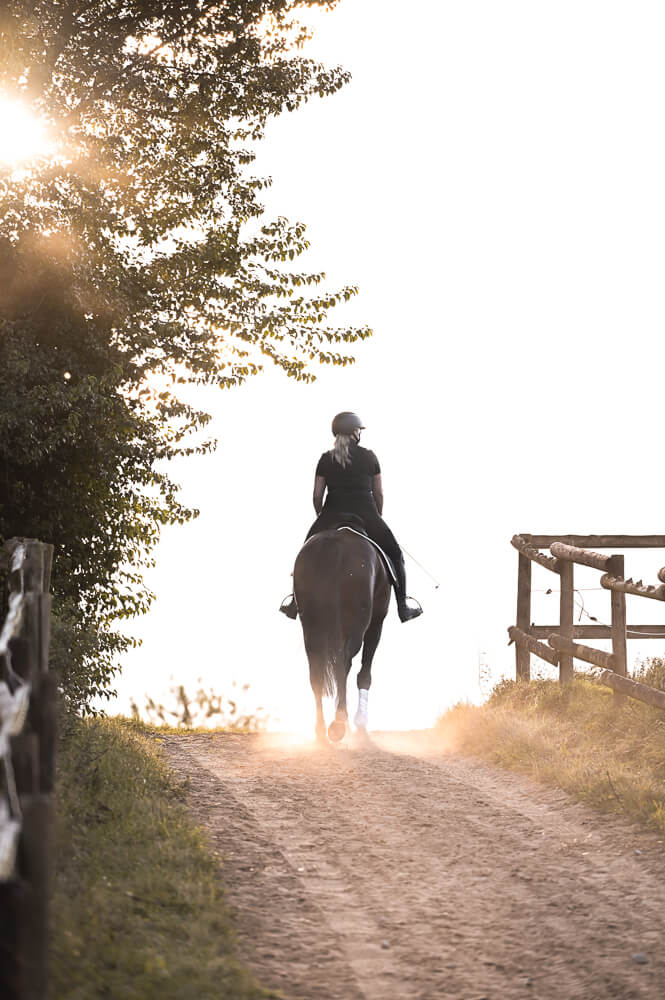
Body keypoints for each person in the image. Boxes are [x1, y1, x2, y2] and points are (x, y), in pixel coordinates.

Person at [280, 411, 423, 623]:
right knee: (395, 554)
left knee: (304, 552)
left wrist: (322, 516)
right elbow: (379, 493)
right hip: (366, 514)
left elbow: (317, 495)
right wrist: (377, 517)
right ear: (356, 433)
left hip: (331, 514)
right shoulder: (369, 457)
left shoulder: (325, 459)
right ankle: (403, 606)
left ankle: (294, 603)